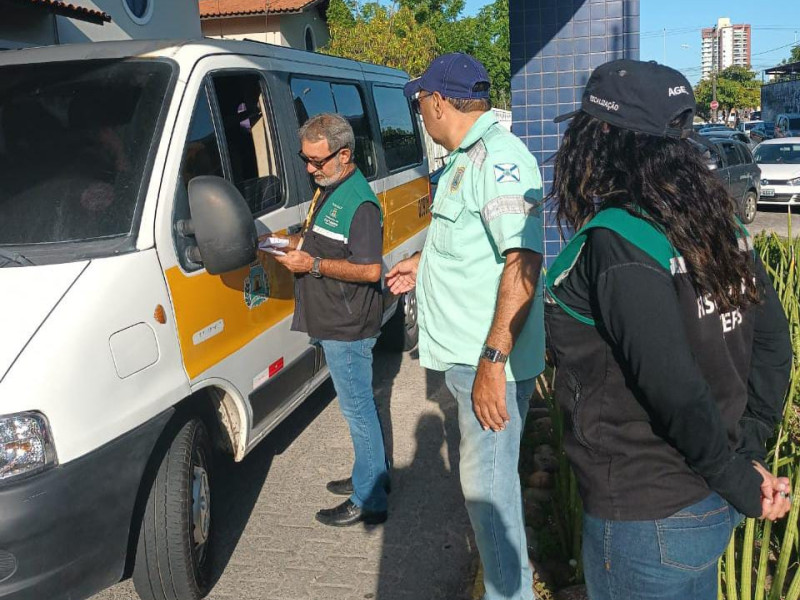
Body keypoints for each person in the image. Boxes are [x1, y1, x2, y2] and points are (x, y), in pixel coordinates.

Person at [544, 59, 793, 600]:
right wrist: (746, 451)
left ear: (601, 134)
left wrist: (737, 476)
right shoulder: (720, 226)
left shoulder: (619, 239)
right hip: (709, 501)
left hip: (645, 517)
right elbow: (774, 344)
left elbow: (675, 387)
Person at [387, 53, 545, 600]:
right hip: (468, 361)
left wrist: (493, 363)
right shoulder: (465, 159)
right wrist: (423, 264)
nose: (420, 113)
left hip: (487, 366)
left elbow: (523, 263)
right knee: (487, 497)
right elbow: (476, 247)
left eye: (419, 102)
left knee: (491, 504)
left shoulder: (499, 160)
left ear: (437, 101)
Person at [268, 113, 390, 527]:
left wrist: (313, 265)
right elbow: (317, 239)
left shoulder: (360, 204)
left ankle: (370, 499)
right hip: (335, 318)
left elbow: (370, 270)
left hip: (348, 325)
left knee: (357, 410)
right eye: (305, 159)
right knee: (361, 405)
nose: (309, 169)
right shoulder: (330, 187)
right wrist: (281, 243)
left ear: (344, 154)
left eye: (317, 161)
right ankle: (371, 474)